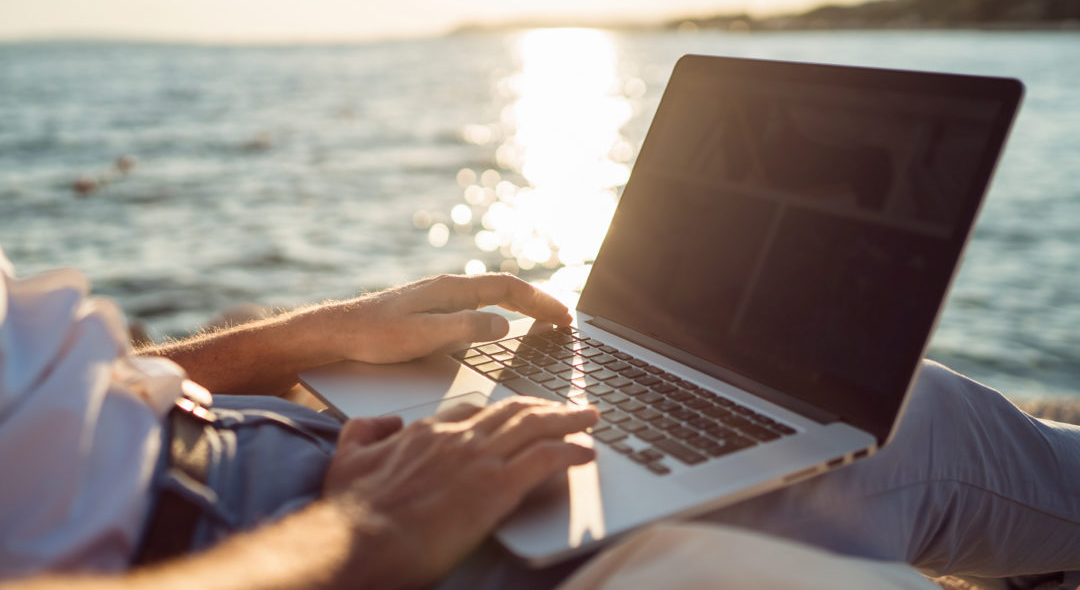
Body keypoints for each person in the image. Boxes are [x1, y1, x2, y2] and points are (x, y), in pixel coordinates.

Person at [1, 243, 1079, 589]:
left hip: (273, 469)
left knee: (889, 413)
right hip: (297, 552)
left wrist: (310, 340)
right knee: (884, 475)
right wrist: (361, 539)